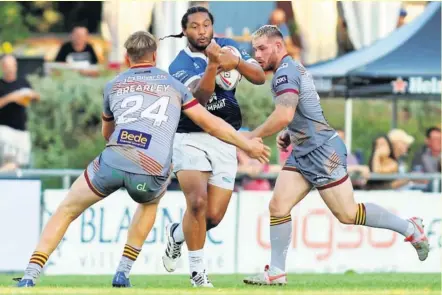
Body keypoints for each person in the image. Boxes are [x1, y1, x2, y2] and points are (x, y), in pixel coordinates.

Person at [15, 30, 270, 288]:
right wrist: (245, 143)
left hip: (114, 160)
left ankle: (30, 274)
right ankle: (122, 273)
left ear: (127, 58)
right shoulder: (174, 85)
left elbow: (107, 133)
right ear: (155, 57)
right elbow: (212, 124)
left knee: (66, 209)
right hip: (150, 169)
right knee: (149, 202)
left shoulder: (113, 85)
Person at [242, 25, 429, 286]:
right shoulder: (289, 70)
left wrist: (251, 136)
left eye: (262, 49)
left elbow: (285, 113)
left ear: (278, 46)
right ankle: (276, 271)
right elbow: (301, 110)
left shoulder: (285, 72)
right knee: (278, 206)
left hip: (321, 152)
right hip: (304, 150)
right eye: (254, 50)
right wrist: (289, 131)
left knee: (348, 214)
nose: (258, 55)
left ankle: (410, 228)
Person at [159, 6, 266, 287]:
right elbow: (201, 101)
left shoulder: (230, 47)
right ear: (184, 31)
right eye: (194, 26)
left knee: (213, 217)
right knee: (196, 203)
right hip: (190, 137)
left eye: (206, 25)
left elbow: (259, 76)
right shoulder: (178, 65)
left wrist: (237, 64)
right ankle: (197, 274)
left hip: (225, 139)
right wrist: (213, 65)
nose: (201, 30)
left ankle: (176, 234)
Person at [0, 55, 40, 171]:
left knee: (20, 163)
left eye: (12, 65)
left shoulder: (23, 82)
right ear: (3, 67)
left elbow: (36, 97)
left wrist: (31, 95)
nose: (11, 69)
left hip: (21, 130)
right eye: (7, 66)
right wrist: (11, 97)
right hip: (5, 129)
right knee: (9, 159)